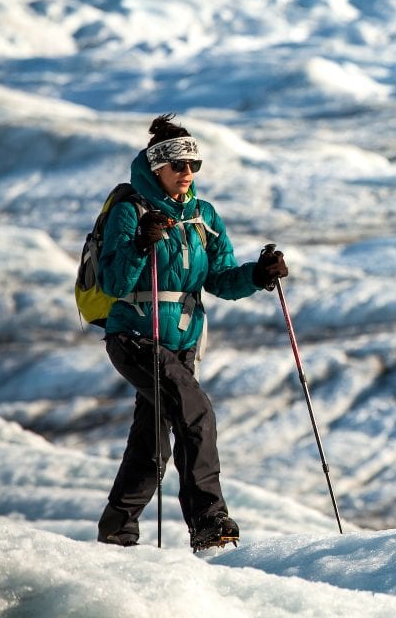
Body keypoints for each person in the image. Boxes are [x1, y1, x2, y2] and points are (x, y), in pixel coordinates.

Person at [96, 114, 288, 551]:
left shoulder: (204, 217)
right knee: (195, 412)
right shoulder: (130, 211)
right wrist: (141, 245)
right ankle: (209, 522)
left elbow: (219, 278)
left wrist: (259, 275)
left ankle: (116, 530)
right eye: (178, 166)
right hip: (135, 340)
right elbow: (113, 285)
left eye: (193, 166)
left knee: (152, 447)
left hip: (181, 346)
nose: (187, 174)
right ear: (155, 168)